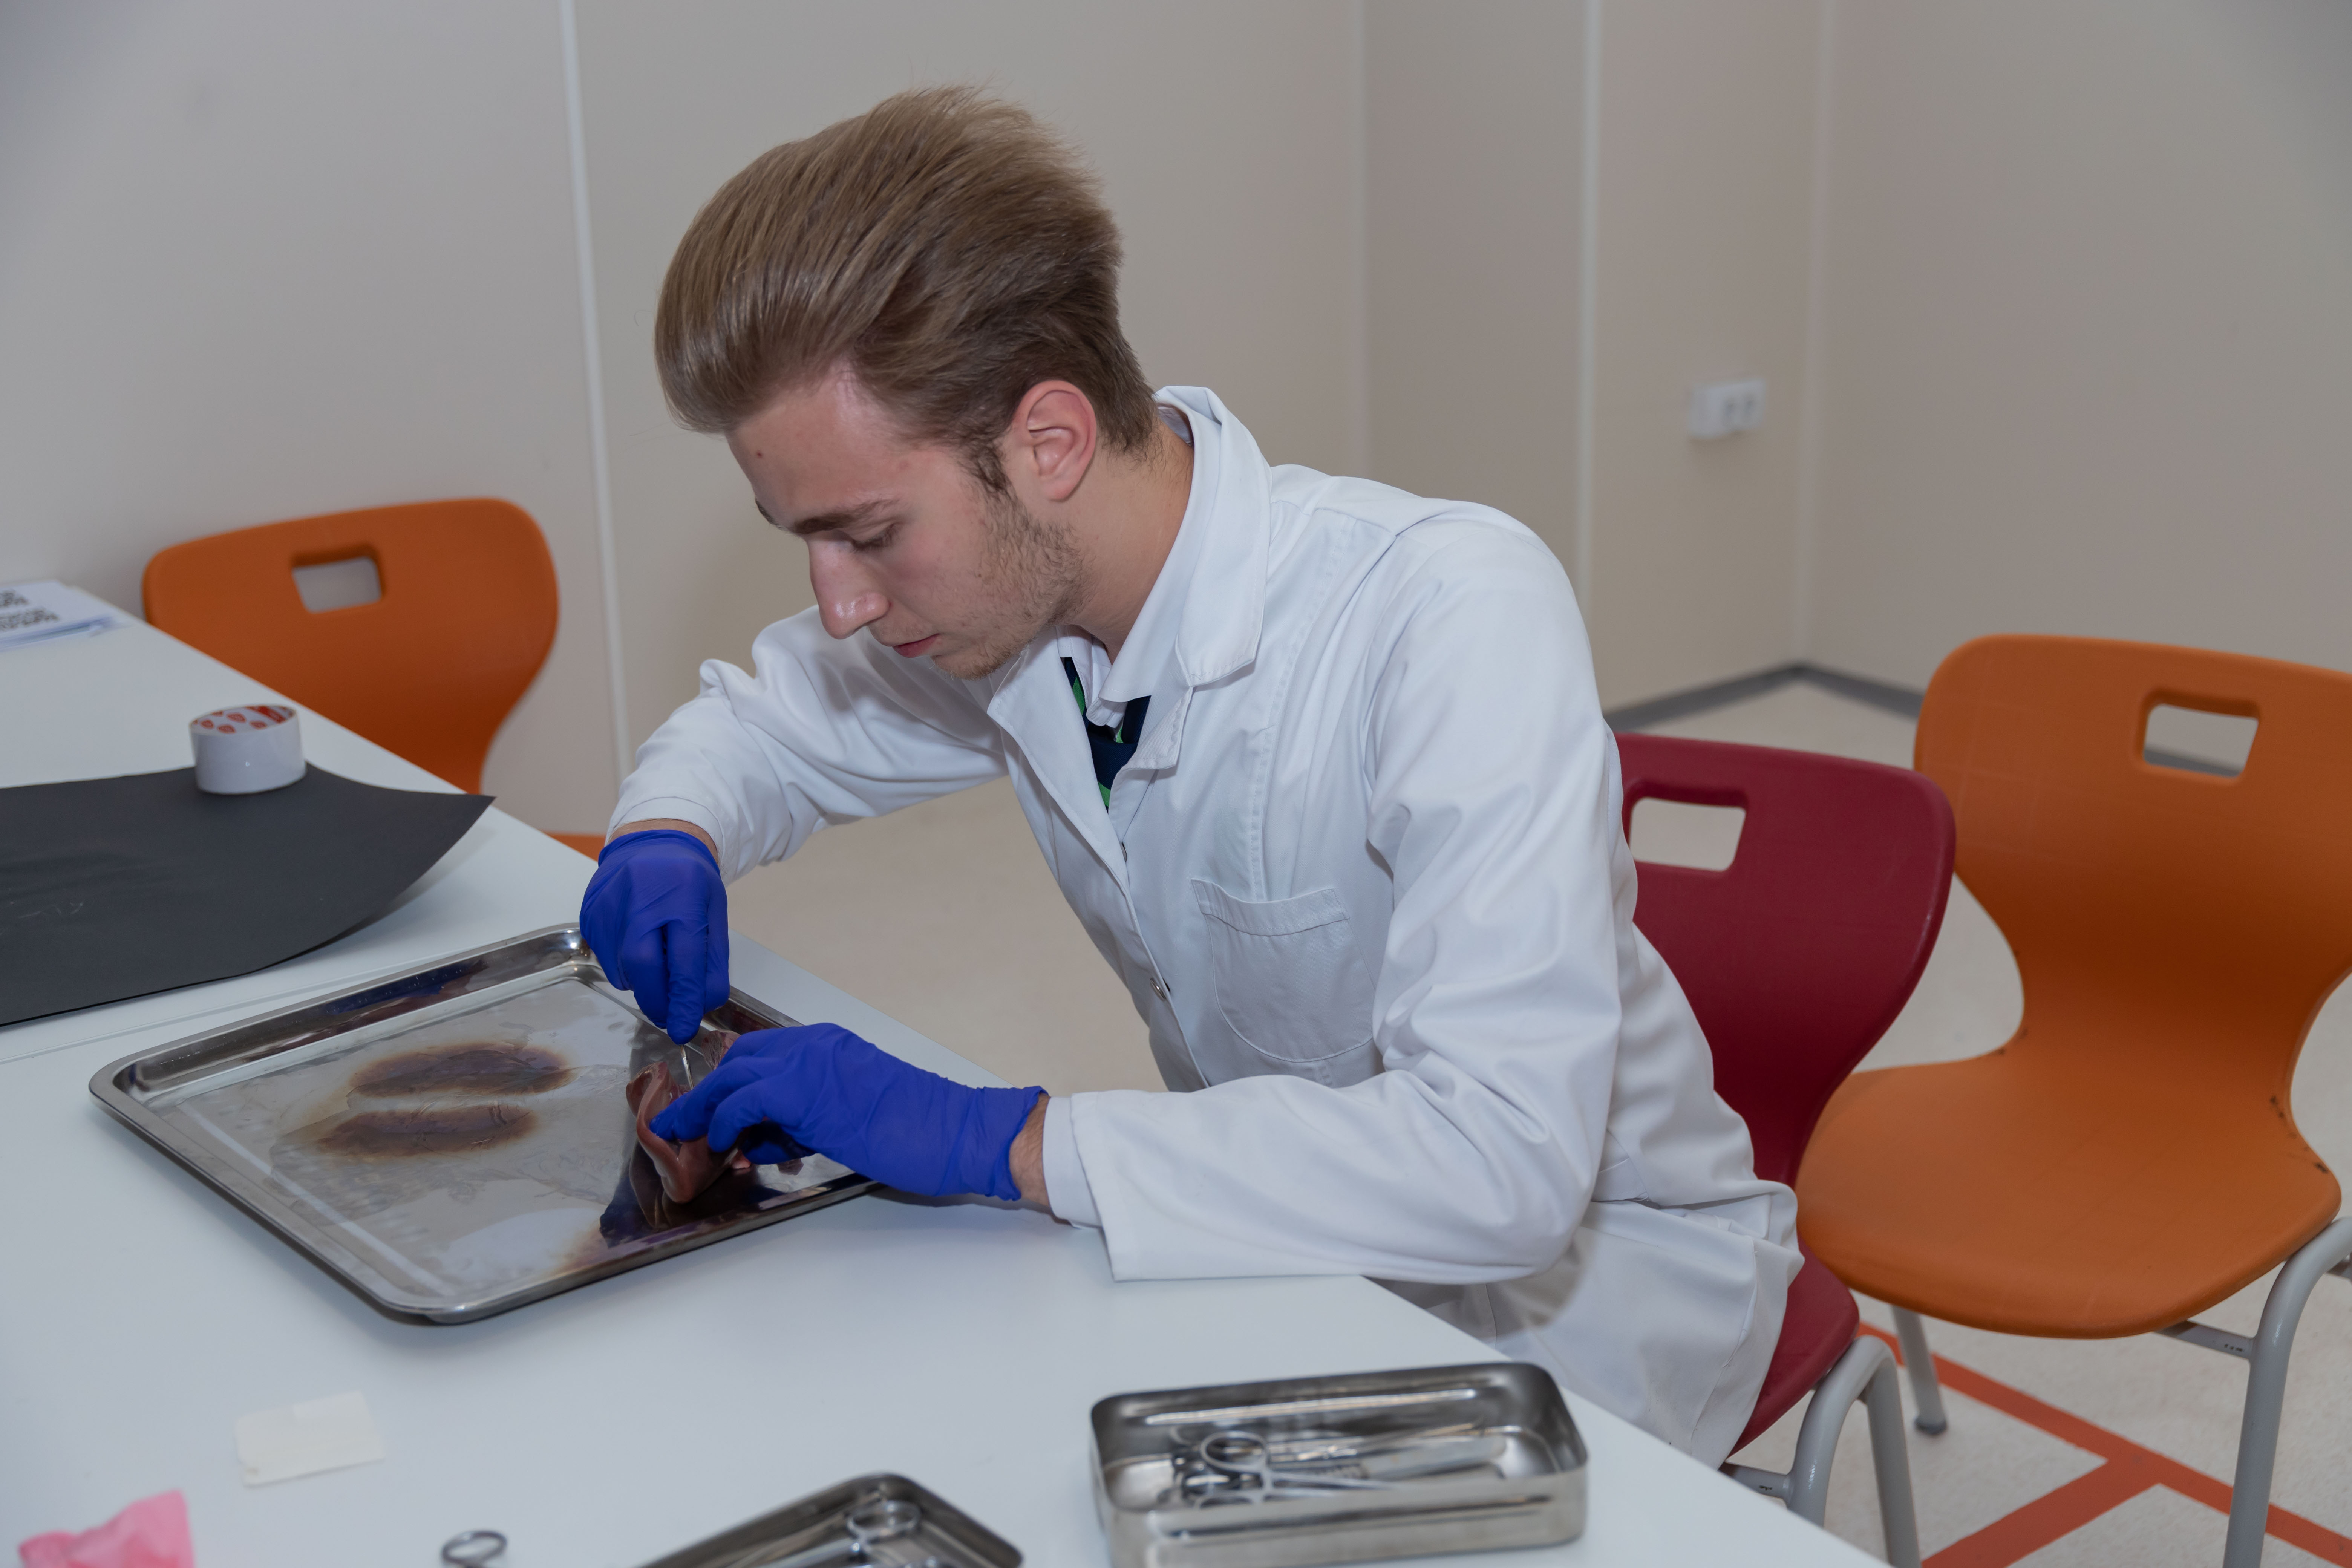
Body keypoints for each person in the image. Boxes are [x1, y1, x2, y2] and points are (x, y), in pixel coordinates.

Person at [581, 85, 1799, 1466]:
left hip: (1590, 1295)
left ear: (1048, 443)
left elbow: (1503, 1165)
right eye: (802, 537)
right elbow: (765, 727)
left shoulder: (1446, 614)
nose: (841, 602)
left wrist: (1008, 1143)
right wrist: (668, 829)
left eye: (867, 533)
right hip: (1288, 1232)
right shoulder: (1016, 620)